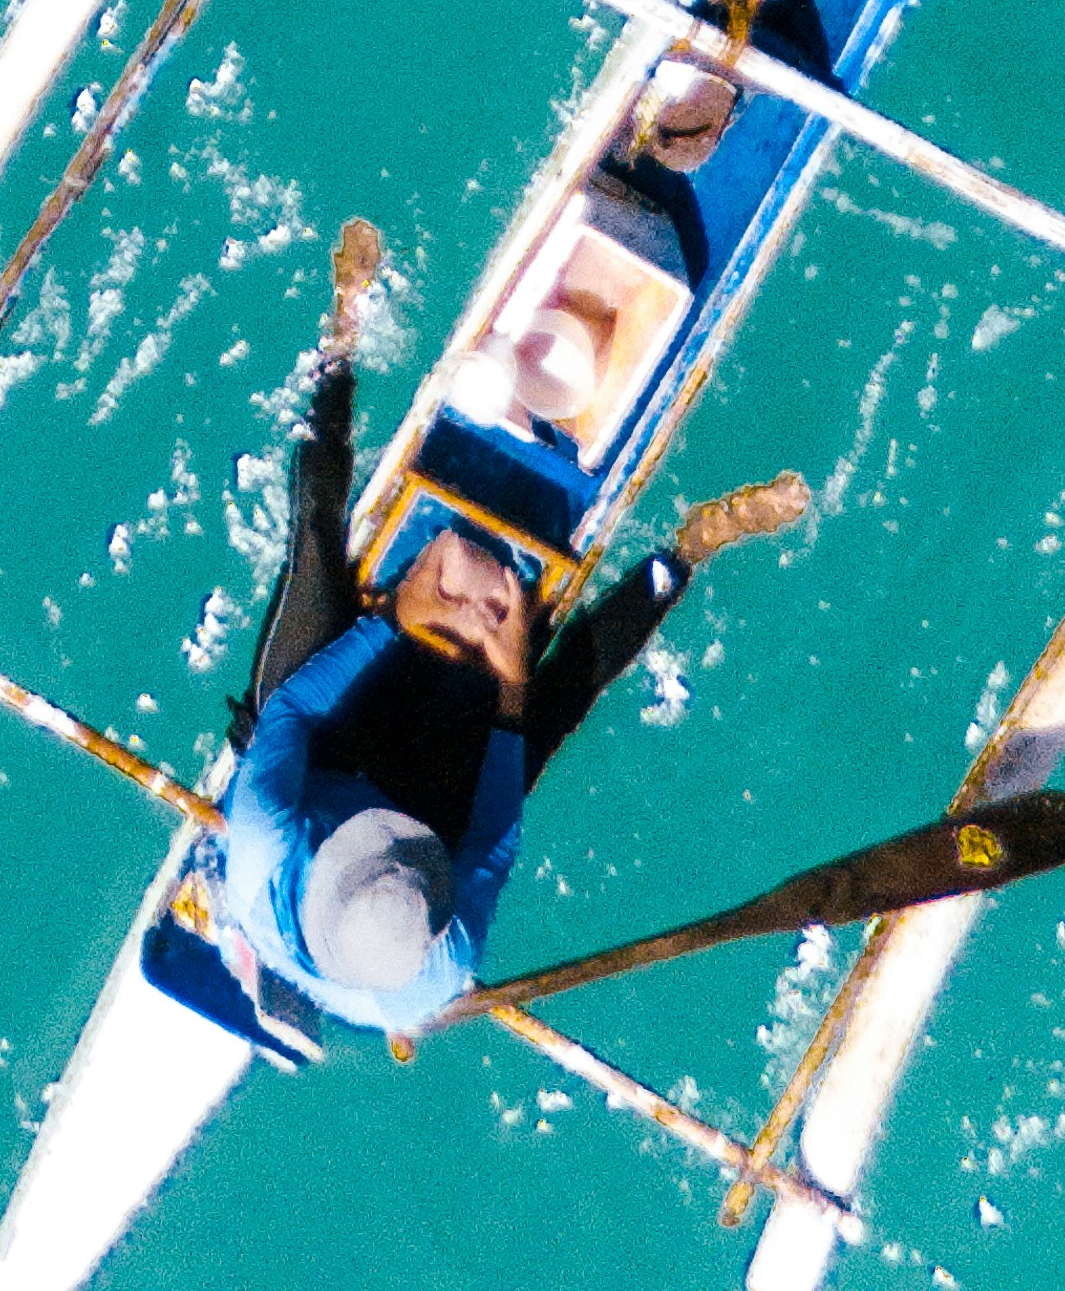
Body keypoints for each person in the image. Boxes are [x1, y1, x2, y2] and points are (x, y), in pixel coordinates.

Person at [198, 225, 796, 1057]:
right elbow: (494, 834)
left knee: (313, 546)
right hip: (423, 805)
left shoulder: (261, 845)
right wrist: (513, 686)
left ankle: (342, 336)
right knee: (557, 704)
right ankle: (688, 550)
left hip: (318, 749)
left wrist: (395, 619)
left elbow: (295, 715)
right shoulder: (440, 966)